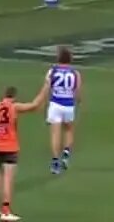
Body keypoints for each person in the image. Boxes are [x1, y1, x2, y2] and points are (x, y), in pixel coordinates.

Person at [0, 85, 47, 221]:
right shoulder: (14, 107)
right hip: (9, 147)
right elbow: (34, 105)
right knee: (8, 178)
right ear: (14, 97)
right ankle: (6, 211)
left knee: (0, 174)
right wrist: (46, 87)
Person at [32, 45, 82, 174]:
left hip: (55, 104)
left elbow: (47, 88)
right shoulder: (75, 73)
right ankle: (66, 154)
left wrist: (40, 102)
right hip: (68, 105)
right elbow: (77, 93)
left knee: (55, 134)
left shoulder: (52, 71)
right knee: (69, 130)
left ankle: (55, 161)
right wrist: (77, 101)